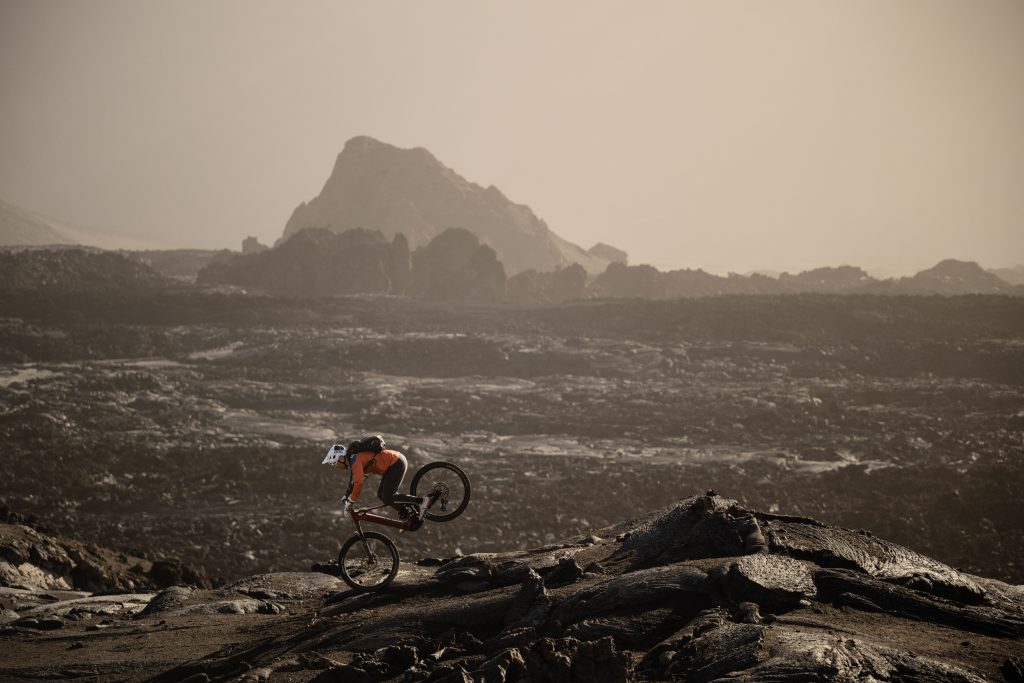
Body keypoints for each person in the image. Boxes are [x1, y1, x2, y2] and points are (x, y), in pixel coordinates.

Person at [322, 435, 430, 520]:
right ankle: (409, 515)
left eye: (334, 463)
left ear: (340, 458)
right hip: (393, 464)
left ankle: (421, 501)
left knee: (387, 497)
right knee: (381, 495)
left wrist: (351, 501)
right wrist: (346, 496)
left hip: (396, 463)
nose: (335, 466)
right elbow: (353, 481)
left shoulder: (355, 461)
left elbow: (359, 483)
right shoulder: (353, 459)